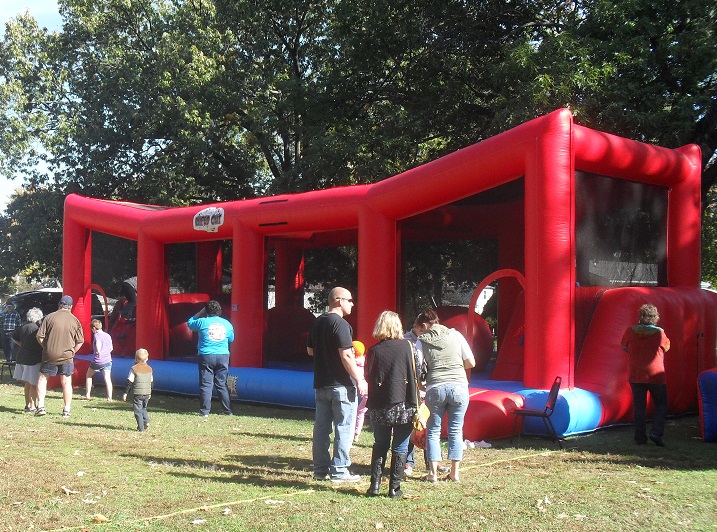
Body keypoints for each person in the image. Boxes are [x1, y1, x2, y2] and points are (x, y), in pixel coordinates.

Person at [307, 287, 367, 483]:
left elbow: (310, 351)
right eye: (350, 300)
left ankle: (320, 470)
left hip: (321, 384)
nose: (352, 304)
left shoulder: (317, 322)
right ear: (339, 301)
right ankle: (340, 471)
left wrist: (326, 357)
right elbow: (346, 354)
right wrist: (359, 379)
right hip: (341, 385)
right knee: (344, 427)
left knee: (321, 429)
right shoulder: (341, 324)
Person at [415, 309, 475, 483]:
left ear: (425, 326)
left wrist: (421, 384)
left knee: (433, 430)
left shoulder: (422, 341)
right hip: (459, 387)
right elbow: (471, 361)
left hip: (435, 387)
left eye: (420, 329)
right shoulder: (456, 335)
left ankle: (432, 473)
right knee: (456, 429)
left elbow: (418, 366)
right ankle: (455, 473)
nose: (420, 332)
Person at [365, 311, 418, 498]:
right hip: (404, 401)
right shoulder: (408, 347)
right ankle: (394, 488)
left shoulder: (373, 351)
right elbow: (419, 371)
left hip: (379, 404)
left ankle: (374, 486)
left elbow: (368, 376)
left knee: (380, 443)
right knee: (401, 446)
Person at [621, 303, 671, 447]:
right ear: (655, 317)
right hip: (656, 375)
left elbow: (624, 346)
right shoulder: (660, 333)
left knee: (639, 407)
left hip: (636, 374)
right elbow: (666, 347)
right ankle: (656, 432)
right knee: (661, 404)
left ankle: (640, 438)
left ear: (640, 317)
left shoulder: (630, 331)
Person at [35, 295, 84, 418]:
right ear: (71, 307)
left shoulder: (49, 317)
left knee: (42, 378)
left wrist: (46, 346)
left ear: (59, 305)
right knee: (66, 382)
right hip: (67, 356)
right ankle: (66, 410)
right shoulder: (75, 320)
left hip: (49, 354)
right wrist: (73, 352)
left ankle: (40, 406)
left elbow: (39, 336)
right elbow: (80, 341)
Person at [187, 300, 234, 417]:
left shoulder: (202, 322)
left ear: (206, 311)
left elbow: (190, 323)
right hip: (223, 355)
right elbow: (231, 339)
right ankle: (227, 410)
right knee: (221, 383)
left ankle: (204, 411)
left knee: (206, 384)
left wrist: (200, 313)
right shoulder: (227, 324)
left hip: (206, 355)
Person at [11, 307, 44, 413]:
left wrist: (21, 344)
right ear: (39, 317)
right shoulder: (37, 328)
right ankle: (32, 406)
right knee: (33, 383)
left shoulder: (23, 326)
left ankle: (27, 405)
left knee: (27, 383)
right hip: (33, 358)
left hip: (21, 356)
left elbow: (13, 337)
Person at [122, 348, 153, 431]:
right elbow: (151, 382)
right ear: (147, 359)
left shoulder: (133, 369)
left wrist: (125, 393)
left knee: (138, 411)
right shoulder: (150, 369)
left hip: (138, 393)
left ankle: (141, 428)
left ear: (135, 359)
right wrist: (150, 392)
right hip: (147, 392)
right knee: (143, 408)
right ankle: (146, 421)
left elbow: (129, 382)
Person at [83, 319, 114, 401]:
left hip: (98, 360)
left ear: (93, 328)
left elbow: (98, 343)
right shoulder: (107, 335)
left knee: (88, 375)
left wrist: (99, 351)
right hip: (107, 360)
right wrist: (106, 353)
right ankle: (109, 398)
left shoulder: (97, 335)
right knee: (107, 379)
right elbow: (111, 348)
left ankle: (88, 394)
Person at [352, 340, 367, 443]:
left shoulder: (352, 365)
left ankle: (354, 433)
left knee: (355, 412)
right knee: (360, 412)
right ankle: (356, 434)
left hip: (355, 389)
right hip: (368, 391)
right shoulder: (365, 361)